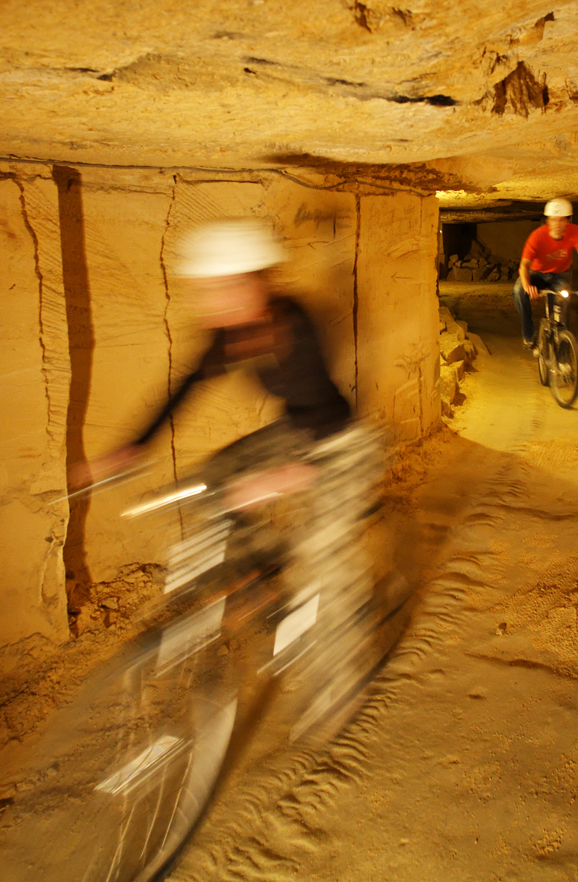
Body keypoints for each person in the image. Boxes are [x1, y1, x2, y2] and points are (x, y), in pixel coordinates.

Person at [79, 218, 383, 737]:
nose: (211, 301)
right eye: (206, 290)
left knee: (320, 562)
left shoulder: (298, 324)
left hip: (338, 442)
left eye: (224, 287)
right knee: (212, 480)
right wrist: (133, 447)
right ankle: (257, 582)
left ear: (258, 283)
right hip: (292, 431)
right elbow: (184, 388)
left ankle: (338, 684)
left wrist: (288, 476)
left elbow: (320, 407)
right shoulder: (227, 335)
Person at [512, 198, 578, 351]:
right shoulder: (537, 236)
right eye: (554, 220)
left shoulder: (576, 232)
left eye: (561, 220)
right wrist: (527, 286)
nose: (557, 224)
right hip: (536, 274)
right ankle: (529, 337)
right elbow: (523, 266)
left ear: (568, 221)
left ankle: (563, 345)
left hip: (559, 276)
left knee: (563, 304)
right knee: (518, 291)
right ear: (547, 221)